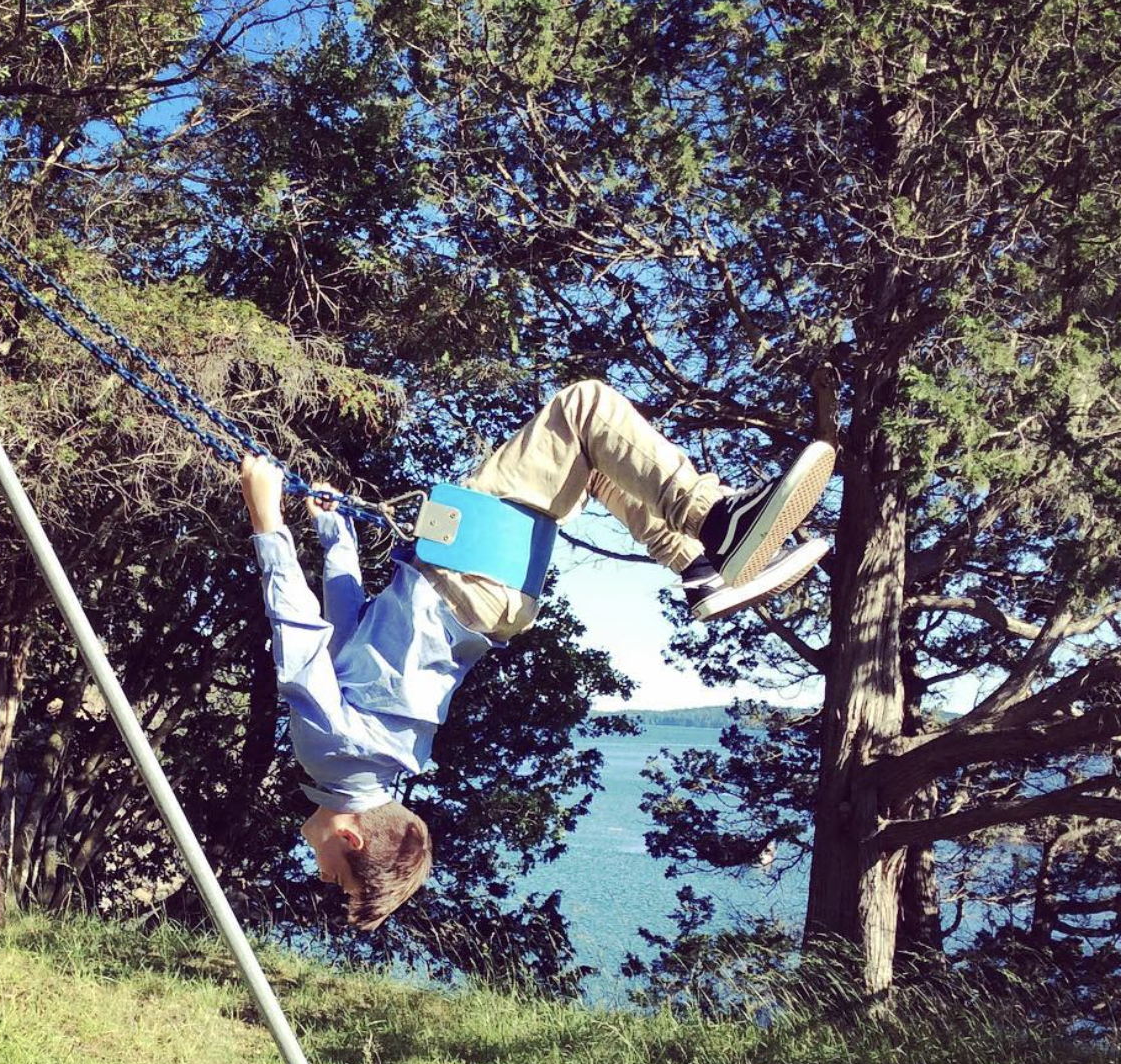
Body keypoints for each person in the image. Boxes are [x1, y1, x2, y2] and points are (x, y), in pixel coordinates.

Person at [241, 379, 835, 930]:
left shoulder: (394, 762)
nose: (319, 871)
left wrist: (335, 536)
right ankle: (716, 517)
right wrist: (266, 521)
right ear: (351, 839)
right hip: (463, 575)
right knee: (584, 408)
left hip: (501, 601)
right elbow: (300, 638)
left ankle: (699, 566)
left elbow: (343, 637)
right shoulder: (329, 757)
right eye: (333, 877)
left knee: (596, 465)